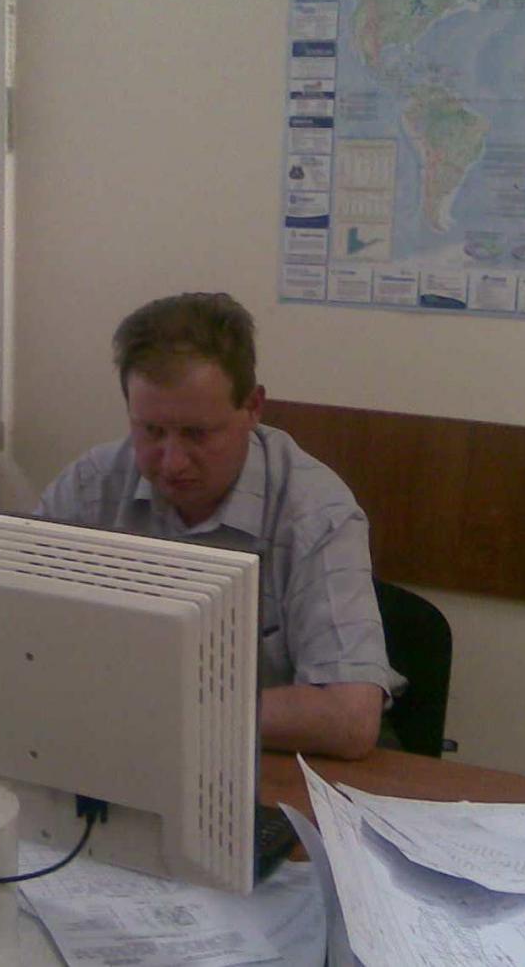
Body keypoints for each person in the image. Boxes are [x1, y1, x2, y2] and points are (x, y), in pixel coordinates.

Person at [36, 291, 403, 760]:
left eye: (197, 433)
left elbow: (349, 718)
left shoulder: (316, 512)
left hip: (261, 761)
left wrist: (161, 711)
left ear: (253, 407)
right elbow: (13, 628)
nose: (171, 462)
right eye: (151, 431)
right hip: (122, 750)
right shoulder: (91, 486)